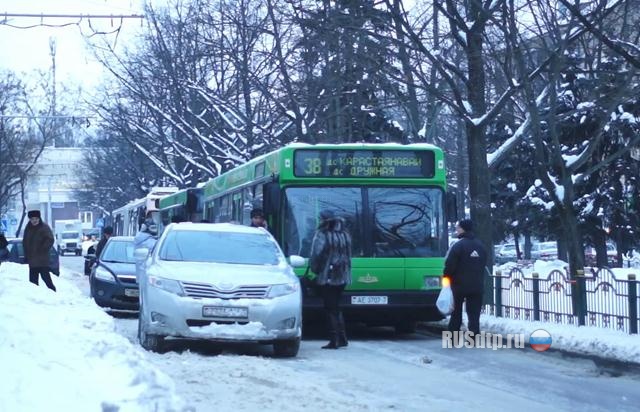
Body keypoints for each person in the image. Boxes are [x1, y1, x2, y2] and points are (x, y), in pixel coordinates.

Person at [309, 209, 352, 349]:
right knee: (337, 307)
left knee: (330, 307)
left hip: (328, 275)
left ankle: (334, 340)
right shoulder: (345, 234)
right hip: (343, 275)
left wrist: (315, 270)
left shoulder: (322, 234)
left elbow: (317, 255)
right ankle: (343, 338)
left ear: (323, 220)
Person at [443, 219, 488, 336]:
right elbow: (483, 263)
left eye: (458, 228)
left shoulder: (457, 246)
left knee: (456, 313)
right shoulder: (481, 246)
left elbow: (449, 266)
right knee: (474, 314)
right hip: (477, 286)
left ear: (463, 229)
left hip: (458, 286)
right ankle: (474, 336)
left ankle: (453, 337)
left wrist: (446, 278)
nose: (456, 230)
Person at [22, 210, 56, 292]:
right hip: (32, 260)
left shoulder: (44, 227)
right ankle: (35, 297)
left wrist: (43, 249)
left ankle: (54, 294)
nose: (34, 220)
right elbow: (25, 241)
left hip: (42, 260)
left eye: (36, 218)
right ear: (30, 219)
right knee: (33, 283)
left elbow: (50, 239)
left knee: (47, 280)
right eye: (32, 219)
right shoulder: (28, 228)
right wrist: (26, 255)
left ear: (39, 218)